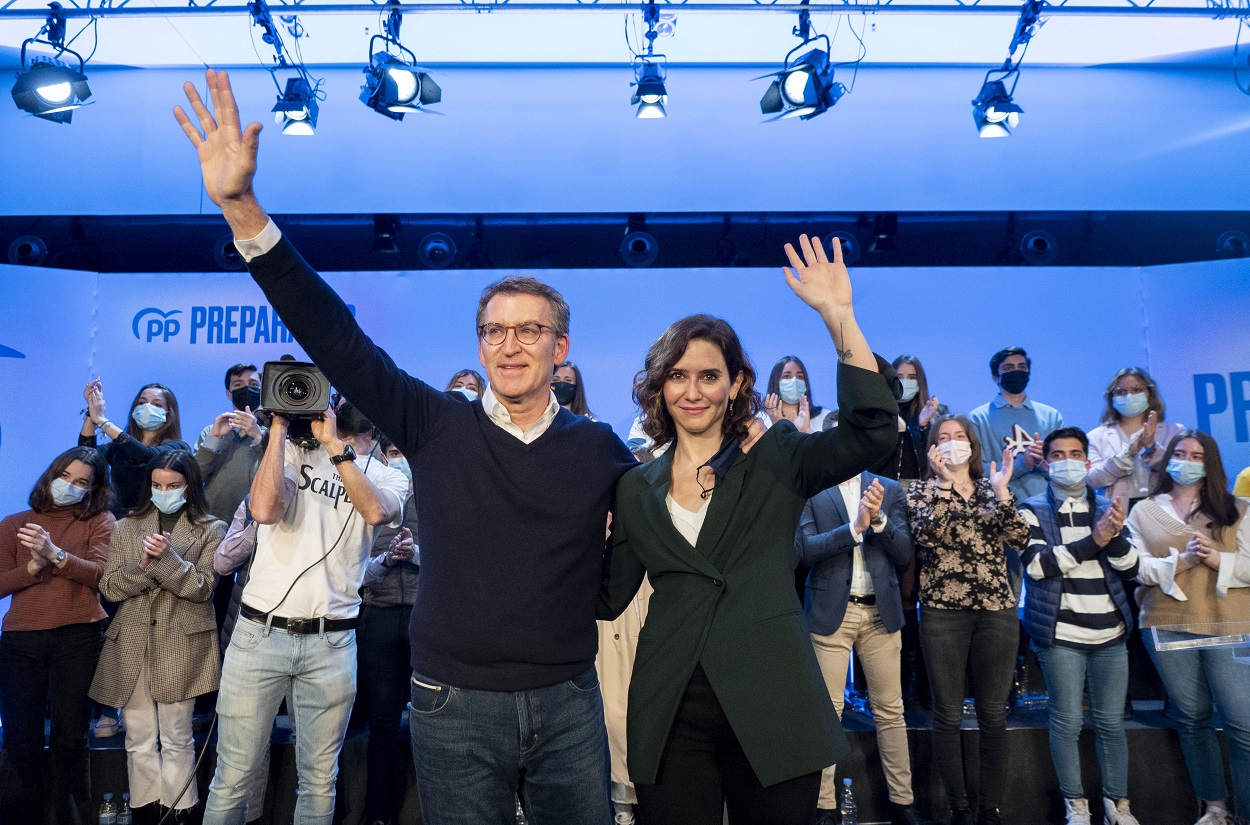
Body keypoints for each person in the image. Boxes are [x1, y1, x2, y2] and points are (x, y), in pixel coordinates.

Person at [176, 68, 635, 825]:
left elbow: (624, 566)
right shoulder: (438, 421)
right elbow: (340, 341)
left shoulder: (600, 449)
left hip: (568, 697)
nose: (510, 344)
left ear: (562, 347)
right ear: (480, 343)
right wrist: (242, 209)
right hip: (452, 700)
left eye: (530, 330)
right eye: (495, 330)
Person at [598, 236, 898, 825]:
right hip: (670, 703)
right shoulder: (636, 487)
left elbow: (873, 436)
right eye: (678, 375)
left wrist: (840, 317)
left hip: (774, 696)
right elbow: (608, 595)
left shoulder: (776, 454)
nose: (693, 390)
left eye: (710, 375)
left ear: (736, 384)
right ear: (659, 384)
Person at [202, 397, 406, 825]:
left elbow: (375, 511)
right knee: (232, 776)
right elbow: (264, 510)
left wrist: (335, 445)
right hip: (260, 634)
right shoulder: (294, 450)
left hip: (332, 643)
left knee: (317, 780)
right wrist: (278, 429)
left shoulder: (390, 473)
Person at [89, 451, 226, 824]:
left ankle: (180, 812)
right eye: (158, 485)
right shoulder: (127, 526)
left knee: (178, 736)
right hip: (132, 641)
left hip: (182, 643)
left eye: (174, 486)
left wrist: (167, 560)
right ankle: (146, 811)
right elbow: (111, 587)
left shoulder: (212, 528)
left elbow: (201, 588)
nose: (165, 491)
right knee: (138, 737)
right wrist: (144, 566)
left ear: (190, 486)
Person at [907, 415, 1028, 825]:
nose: (952, 444)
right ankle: (959, 806)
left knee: (994, 713)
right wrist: (943, 485)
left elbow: (1020, 539)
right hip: (943, 613)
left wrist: (1003, 491)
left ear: (973, 445)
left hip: (996, 611)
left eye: (959, 437)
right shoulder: (923, 490)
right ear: (932, 449)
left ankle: (990, 807)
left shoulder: (992, 489)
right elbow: (926, 535)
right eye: (943, 438)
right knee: (949, 713)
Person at [1018, 428, 1142, 825]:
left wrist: (1113, 536)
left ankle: (1117, 805)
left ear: (1088, 462)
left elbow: (1132, 568)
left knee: (1111, 723)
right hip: (1061, 634)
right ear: (1046, 462)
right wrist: (1096, 540)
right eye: (1057, 454)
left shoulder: (1109, 506)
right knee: (1067, 720)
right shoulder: (1030, 510)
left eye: (1075, 453)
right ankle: (1076, 805)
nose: (1066, 460)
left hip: (1110, 633)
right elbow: (1039, 566)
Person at [1128, 430, 1250, 825]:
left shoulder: (1240, 508)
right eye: (1179, 453)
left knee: (1240, 722)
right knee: (1192, 718)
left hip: (1228, 624)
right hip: (1165, 624)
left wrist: (1216, 559)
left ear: (1210, 463)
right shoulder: (1144, 510)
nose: (1186, 460)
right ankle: (1215, 808)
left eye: (1196, 455)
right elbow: (1135, 568)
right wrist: (1178, 562)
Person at [795, 471, 921, 825]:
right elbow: (805, 549)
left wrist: (878, 520)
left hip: (881, 612)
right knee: (827, 713)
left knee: (890, 711)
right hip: (831, 611)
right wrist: (854, 529)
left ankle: (903, 802)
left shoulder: (888, 488)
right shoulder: (812, 485)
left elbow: (904, 551)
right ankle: (824, 806)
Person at [0, 447, 114, 825]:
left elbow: (101, 576)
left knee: (70, 738)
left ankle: (68, 818)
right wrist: (32, 566)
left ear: (93, 489)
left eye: (81, 482)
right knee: (21, 740)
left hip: (78, 636)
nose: (70, 486)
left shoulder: (100, 521)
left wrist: (56, 555)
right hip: (21, 640)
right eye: (65, 476)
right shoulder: (15, 522)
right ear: (51, 475)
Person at [358, 437, 421, 825]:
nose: (399, 460)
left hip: (425, 618)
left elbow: (458, 563)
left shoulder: (438, 495)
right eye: (393, 453)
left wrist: (414, 554)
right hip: (377, 617)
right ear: (382, 456)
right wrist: (385, 559)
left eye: (405, 453)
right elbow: (351, 568)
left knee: (433, 725)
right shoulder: (367, 498)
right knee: (381, 725)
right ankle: (379, 814)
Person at [80, 379, 192, 516]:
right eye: (142, 403)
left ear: (169, 412)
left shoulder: (178, 447)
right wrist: (91, 414)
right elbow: (86, 456)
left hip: (156, 518)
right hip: (119, 518)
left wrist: (102, 421)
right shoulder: (118, 446)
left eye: (157, 404)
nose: (147, 408)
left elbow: (147, 455)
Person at [967, 347, 1064, 501]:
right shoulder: (978, 418)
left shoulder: (1051, 416)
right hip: (998, 504)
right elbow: (976, 470)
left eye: (1022, 367)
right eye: (1008, 368)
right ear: (995, 377)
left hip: (1046, 506)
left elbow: (1064, 468)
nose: (1016, 371)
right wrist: (1022, 464)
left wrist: (1041, 461)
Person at [1085, 367, 1182, 504]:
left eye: (1137, 390)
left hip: (1163, 509)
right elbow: (1092, 480)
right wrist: (1127, 455)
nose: (1129, 396)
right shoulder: (1096, 436)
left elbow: (1179, 473)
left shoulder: (1174, 431)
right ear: (1111, 397)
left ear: (1149, 393)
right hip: (1116, 512)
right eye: (1121, 392)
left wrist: (1151, 447)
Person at [195, 363, 266, 522]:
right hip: (213, 522)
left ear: (262, 391)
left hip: (256, 523)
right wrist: (214, 438)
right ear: (229, 393)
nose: (246, 388)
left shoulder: (273, 434)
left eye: (253, 384)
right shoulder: (211, 431)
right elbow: (194, 477)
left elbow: (275, 478)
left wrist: (258, 437)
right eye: (238, 385)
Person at [763, 355, 830, 432]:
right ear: (775, 382)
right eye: (787, 376)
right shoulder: (760, 419)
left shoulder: (824, 417)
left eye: (800, 377)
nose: (794, 381)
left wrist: (806, 430)